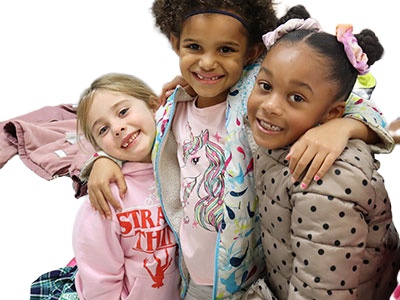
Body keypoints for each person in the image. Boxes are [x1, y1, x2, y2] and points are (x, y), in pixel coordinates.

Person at [82, 2, 394, 299]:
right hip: (188, 279)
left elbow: (357, 107)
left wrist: (344, 127)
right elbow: (134, 135)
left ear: (252, 53)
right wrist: (103, 160)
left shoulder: (257, 94)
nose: (207, 62)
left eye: (226, 49)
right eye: (194, 47)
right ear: (176, 43)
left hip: (249, 281)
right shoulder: (170, 112)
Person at [244, 18, 400, 299]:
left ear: (332, 114)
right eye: (265, 86)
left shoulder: (325, 183)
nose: (269, 106)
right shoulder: (283, 136)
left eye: (296, 97)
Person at [32, 73, 181, 300]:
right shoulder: (107, 197)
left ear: (154, 105)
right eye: (102, 130)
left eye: (123, 112)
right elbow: (100, 281)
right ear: (98, 145)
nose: (117, 128)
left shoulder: (187, 161)